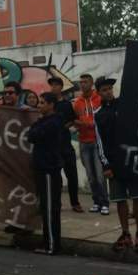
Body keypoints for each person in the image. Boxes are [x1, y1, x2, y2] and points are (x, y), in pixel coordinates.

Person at [93, 77, 138, 252]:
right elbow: (99, 142)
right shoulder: (98, 114)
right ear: (98, 93)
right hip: (114, 164)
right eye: (104, 90)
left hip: (133, 160)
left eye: (110, 88)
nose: (108, 92)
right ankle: (126, 234)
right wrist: (106, 165)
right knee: (120, 200)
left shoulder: (126, 105)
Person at [28, 92, 64, 255]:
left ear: (51, 105)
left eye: (42, 103)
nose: (39, 105)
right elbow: (32, 134)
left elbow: (33, 135)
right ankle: (49, 241)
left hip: (49, 169)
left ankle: (51, 245)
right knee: (46, 207)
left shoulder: (53, 123)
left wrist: (36, 128)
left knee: (50, 208)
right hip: (43, 168)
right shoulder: (45, 121)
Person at [73, 73, 109, 215]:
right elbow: (75, 120)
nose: (82, 84)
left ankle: (104, 203)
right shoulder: (77, 102)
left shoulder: (99, 99)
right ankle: (96, 202)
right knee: (90, 176)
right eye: (81, 82)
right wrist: (78, 125)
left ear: (91, 83)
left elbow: (101, 120)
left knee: (100, 175)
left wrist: (86, 124)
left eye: (85, 82)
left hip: (97, 142)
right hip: (83, 142)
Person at [48, 76, 82, 213]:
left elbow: (73, 120)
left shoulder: (67, 104)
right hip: (53, 147)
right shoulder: (49, 104)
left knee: (72, 176)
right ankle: (57, 203)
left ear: (61, 87)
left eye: (56, 85)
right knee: (56, 178)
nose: (53, 87)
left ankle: (75, 203)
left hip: (66, 146)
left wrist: (63, 127)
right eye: (51, 85)